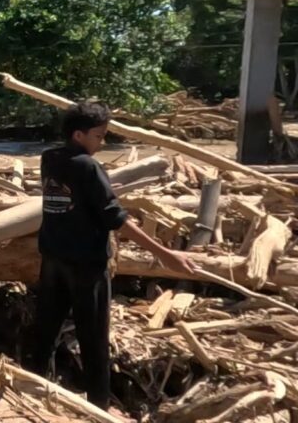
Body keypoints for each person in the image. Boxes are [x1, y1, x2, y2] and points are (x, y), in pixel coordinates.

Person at [29, 101, 197, 411]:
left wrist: (101, 188)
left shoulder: (50, 158)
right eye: (98, 135)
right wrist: (165, 254)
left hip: (53, 257)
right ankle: (99, 407)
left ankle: (32, 389)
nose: (102, 142)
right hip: (86, 265)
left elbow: (71, 195)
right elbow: (115, 218)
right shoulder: (89, 167)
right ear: (79, 135)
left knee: (46, 329)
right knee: (93, 338)